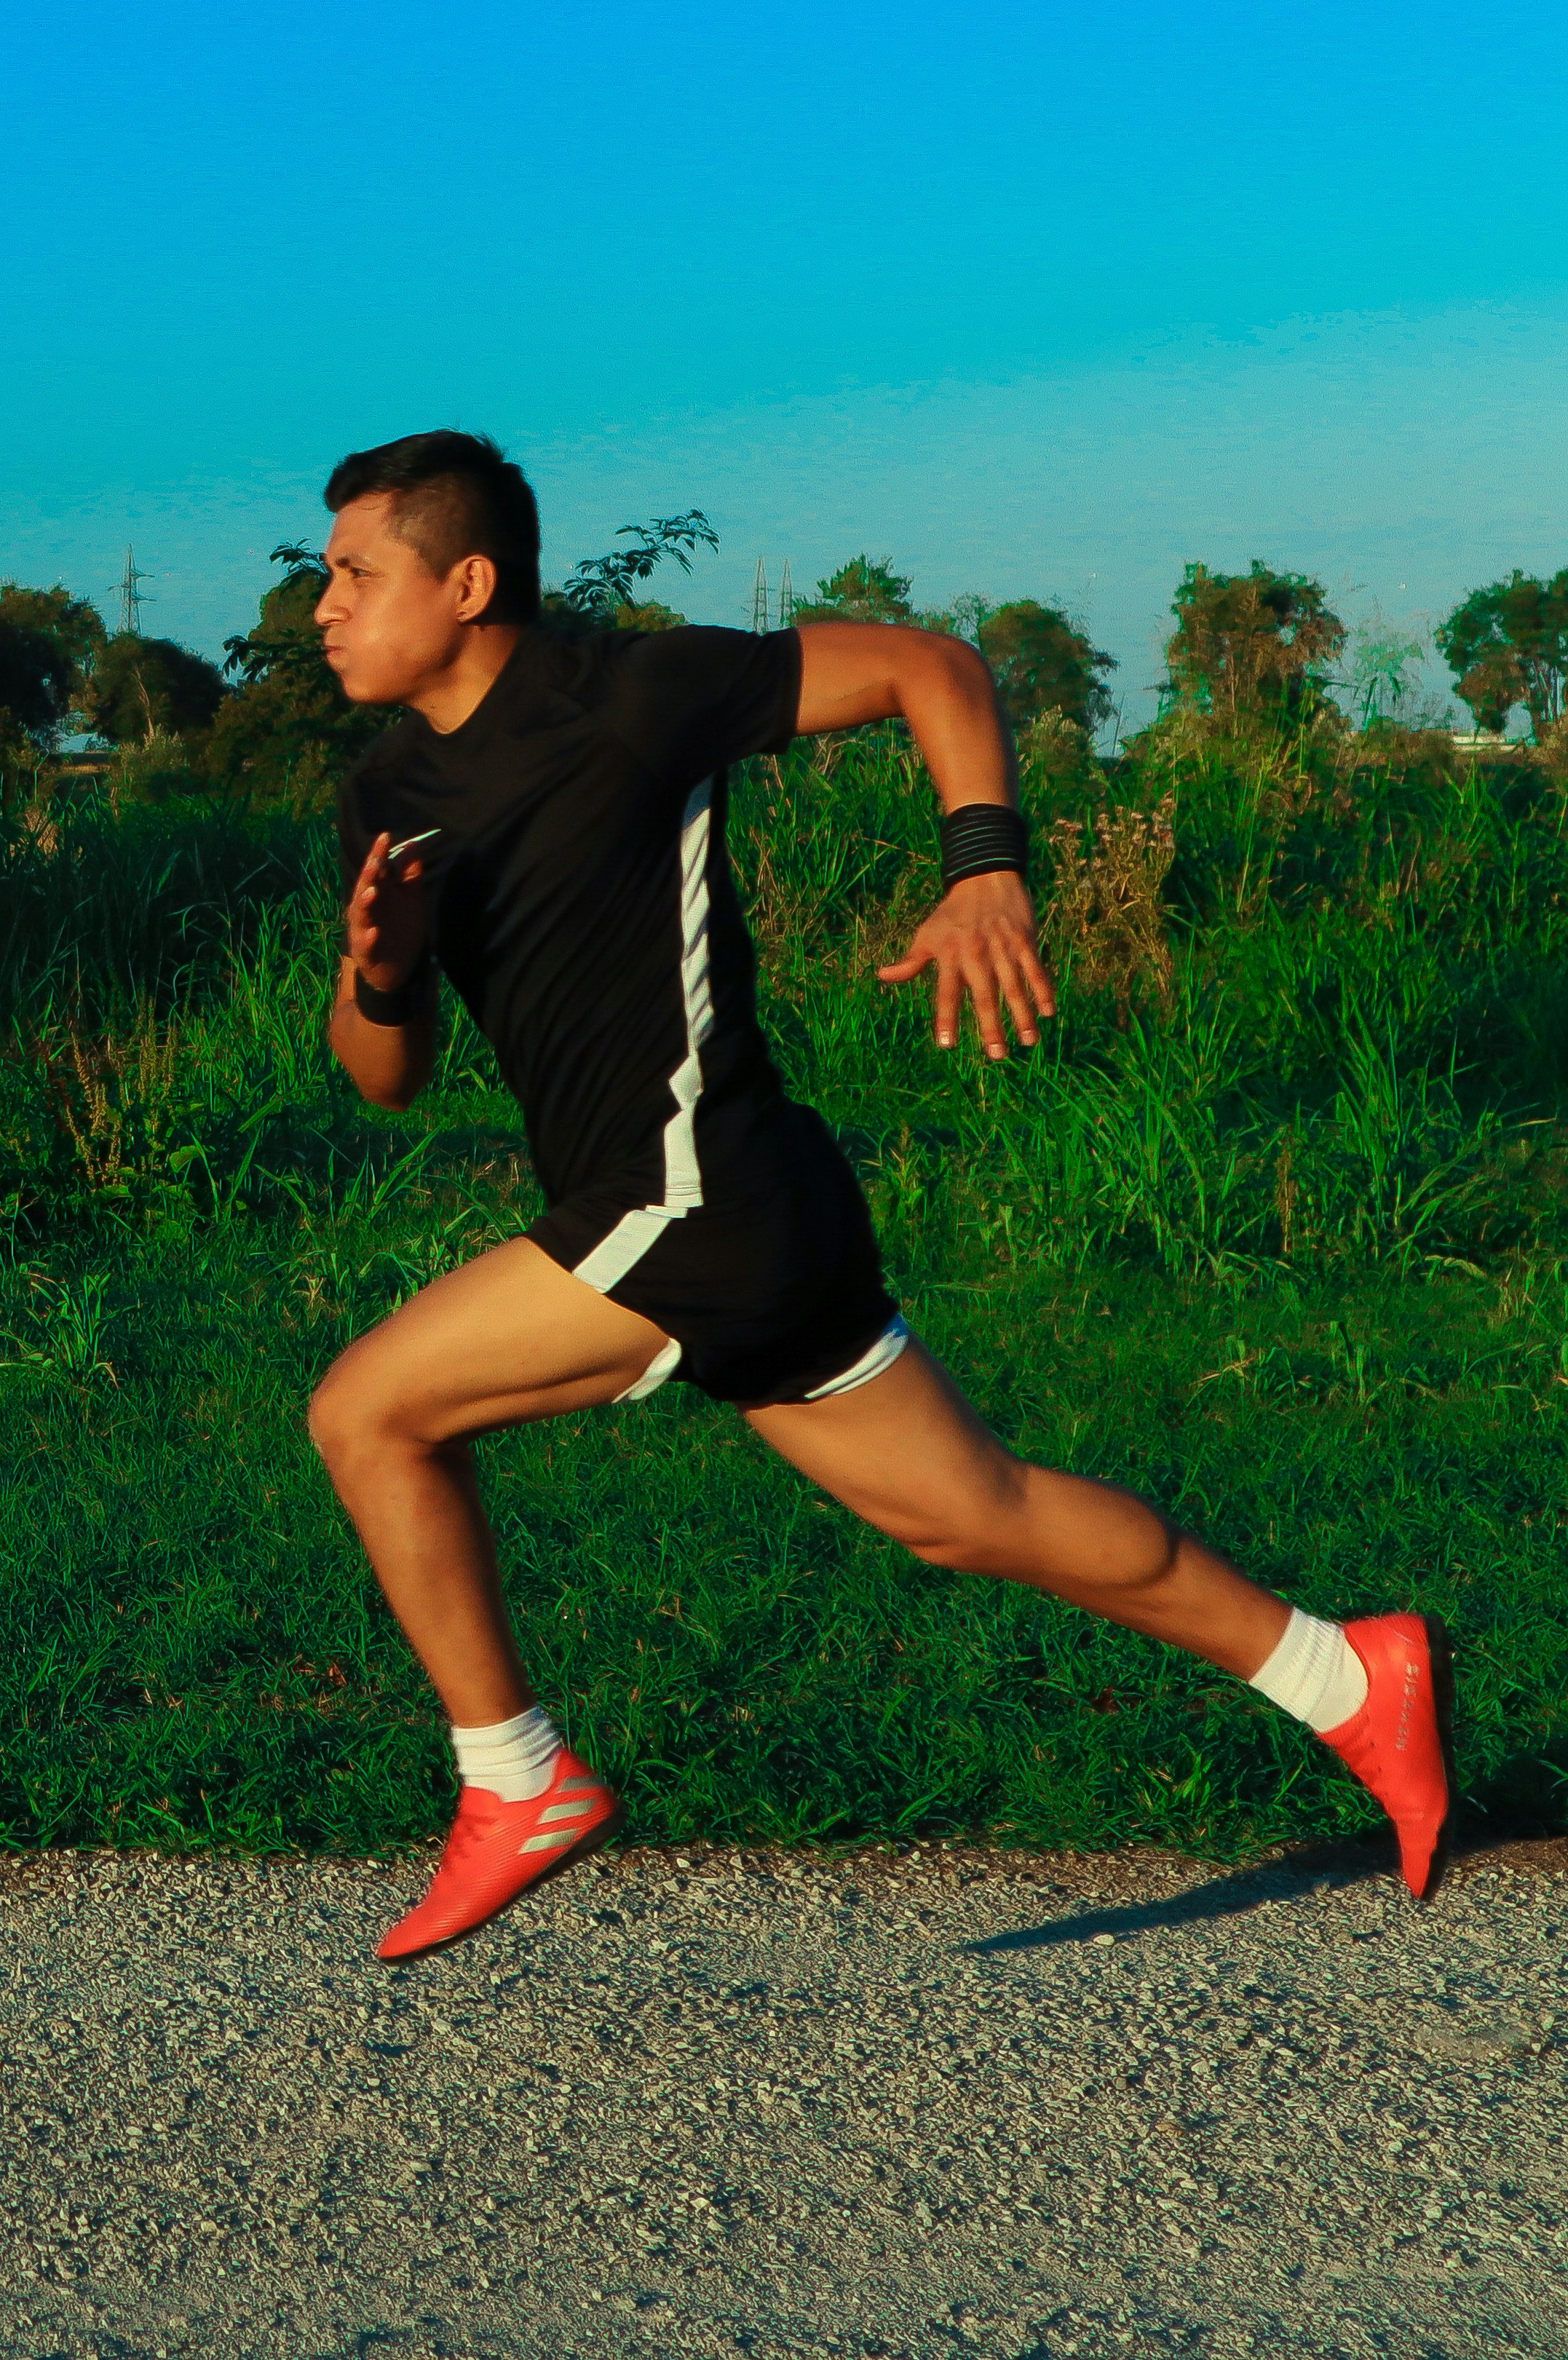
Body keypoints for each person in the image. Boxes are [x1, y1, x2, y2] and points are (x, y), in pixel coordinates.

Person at [297, 430, 1450, 1960]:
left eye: (353, 572)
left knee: (366, 1410)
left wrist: (987, 866)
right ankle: (1348, 1673)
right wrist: (376, 972)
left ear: (467, 581)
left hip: (695, 1192)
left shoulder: (631, 693)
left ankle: (517, 1779)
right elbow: (384, 1072)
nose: (322, 605)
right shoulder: (394, 790)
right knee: (975, 1514)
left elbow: (926, 665)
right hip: (737, 1207)